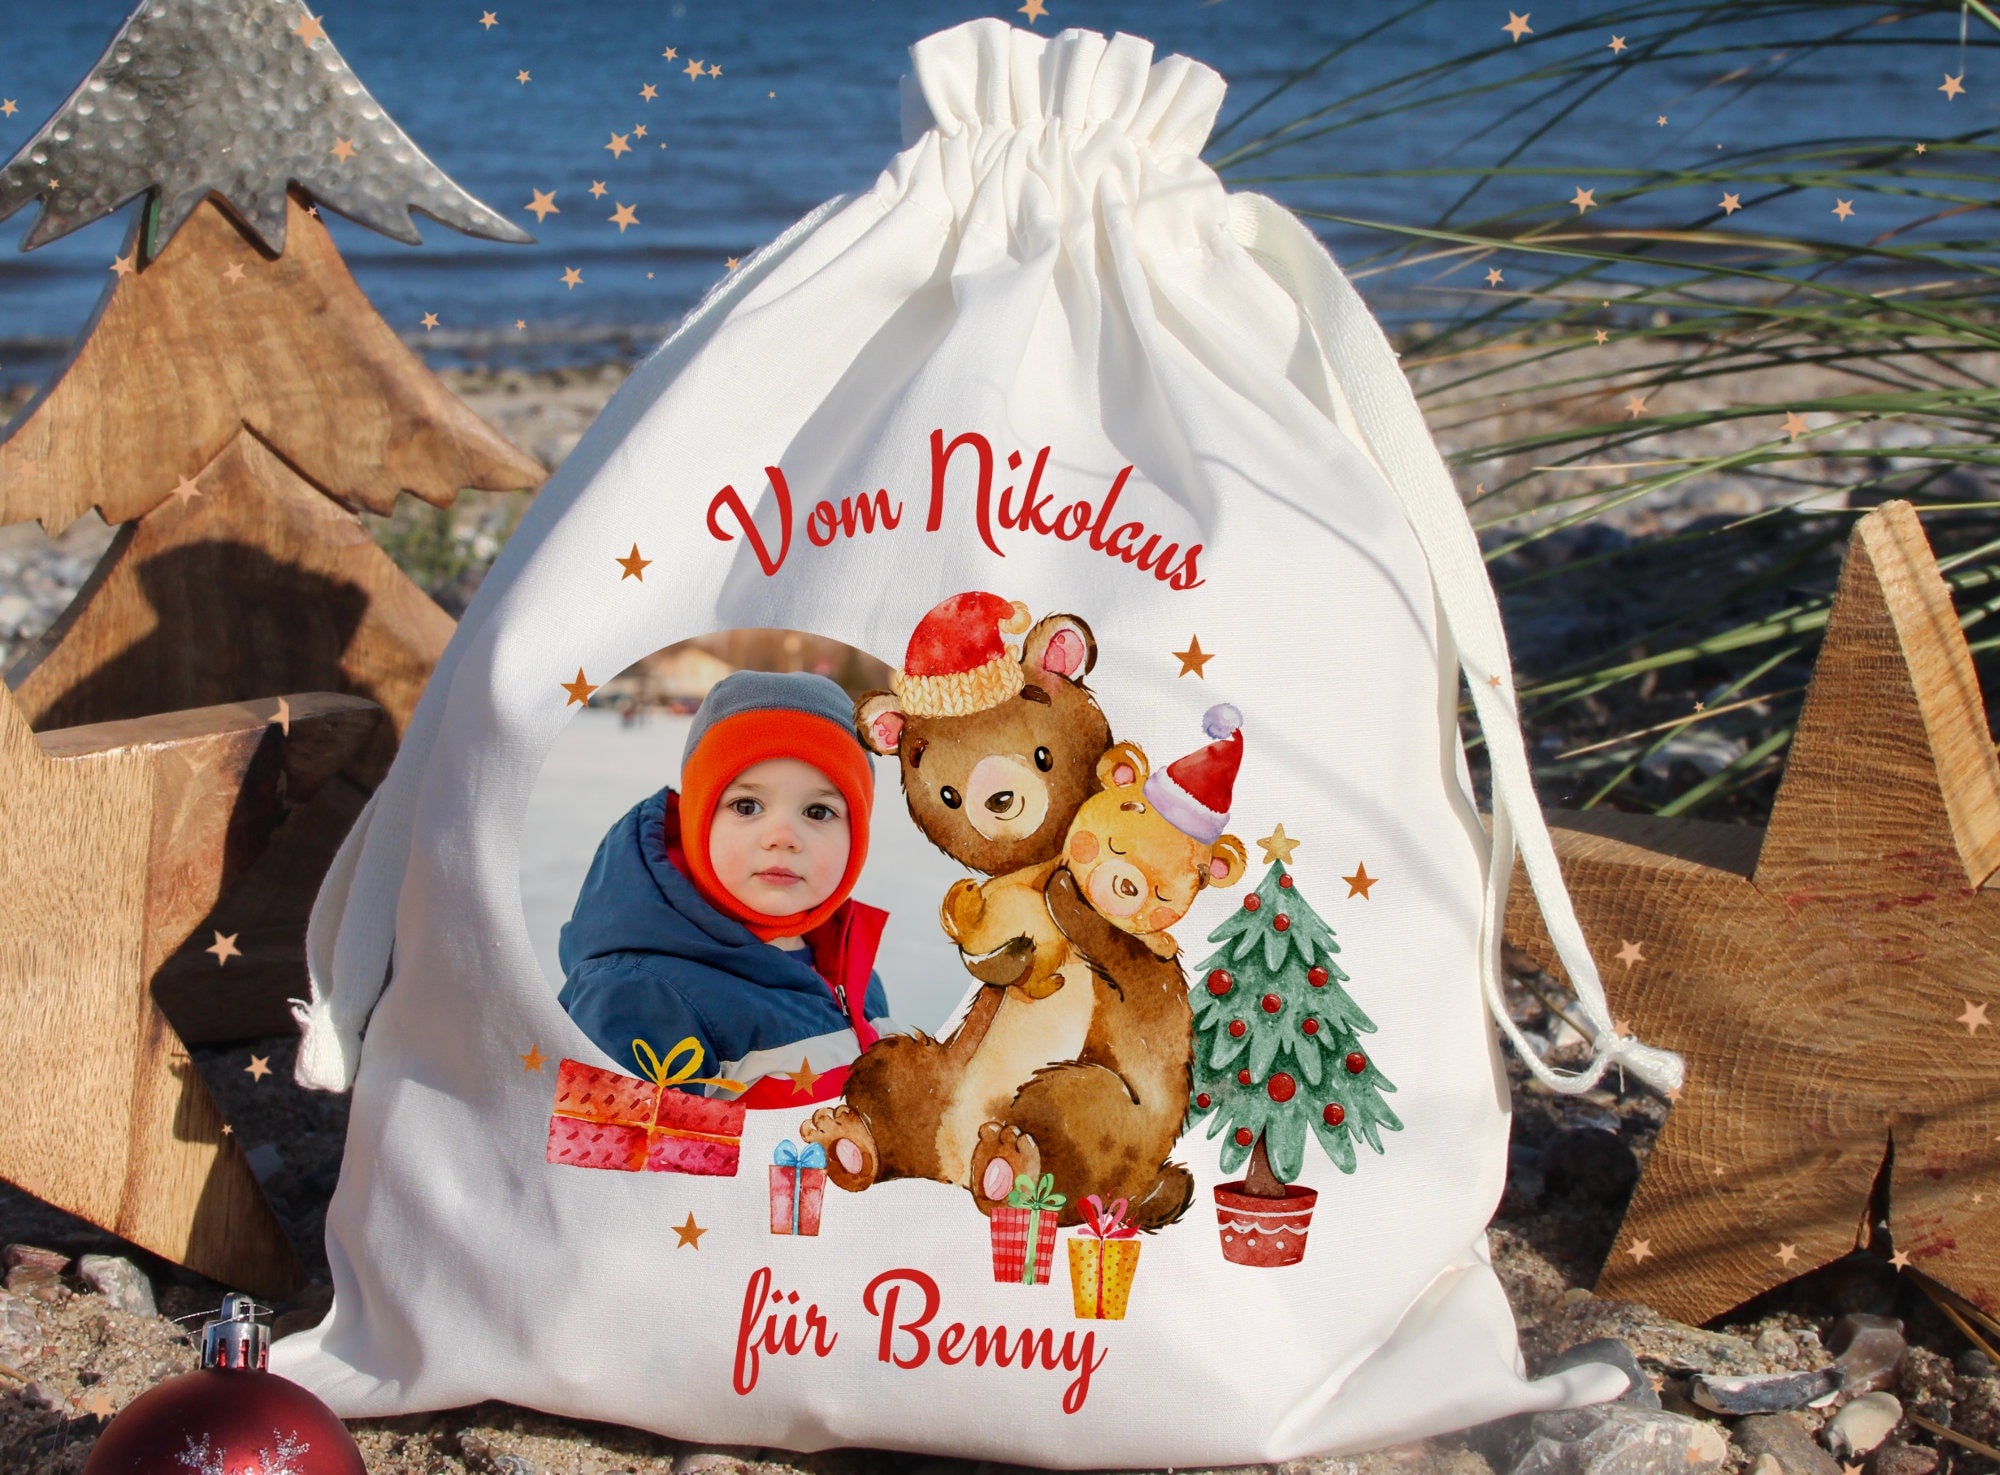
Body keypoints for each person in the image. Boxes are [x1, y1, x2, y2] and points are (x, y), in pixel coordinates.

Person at [557, 670, 897, 1108]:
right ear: (699, 821)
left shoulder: (855, 970)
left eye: (818, 811)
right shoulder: (642, 998)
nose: (783, 836)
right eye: (747, 805)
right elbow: (618, 1169)